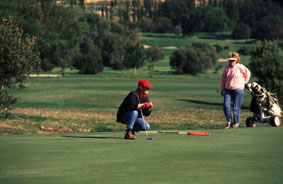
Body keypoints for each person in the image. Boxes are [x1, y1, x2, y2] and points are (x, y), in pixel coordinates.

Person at [220, 52, 251, 129]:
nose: (231, 61)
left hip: (238, 90)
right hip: (228, 90)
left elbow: (248, 73)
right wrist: (222, 88)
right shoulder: (227, 67)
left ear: (237, 60)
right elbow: (223, 78)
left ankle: (236, 123)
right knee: (226, 105)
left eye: (233, 60)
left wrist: (244, 82)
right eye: (230, 60)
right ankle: (229, 121)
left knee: (236, 107)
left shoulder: (240, 67)